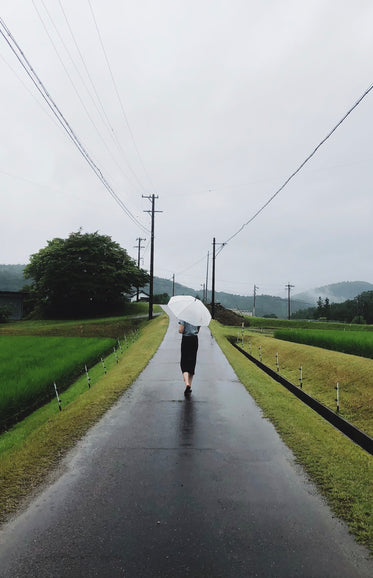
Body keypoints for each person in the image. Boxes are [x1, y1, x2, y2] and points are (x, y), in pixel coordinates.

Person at [178, 319, 200, 397]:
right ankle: (189, 386)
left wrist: (180, 330)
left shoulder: (183, 317)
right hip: (194, 340)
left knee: (184, 362)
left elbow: (181, 330)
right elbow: (198, 330)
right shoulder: (196, 316)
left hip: (186, 340)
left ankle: (187, 383)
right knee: (192, 362)